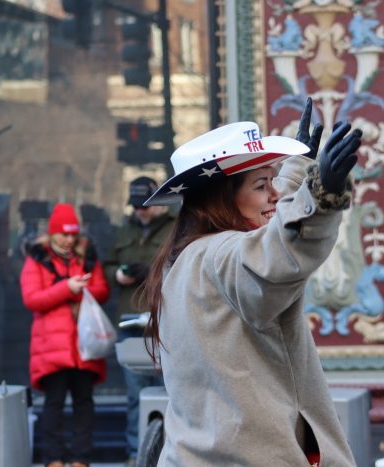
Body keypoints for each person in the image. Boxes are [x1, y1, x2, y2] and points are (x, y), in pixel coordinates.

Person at [142, 101, 361, 466]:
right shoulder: (222, 253)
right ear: (221, 198)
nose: (274, 194)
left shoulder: (180, 261)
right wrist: (319, 195)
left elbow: (270, 241)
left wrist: (297, 176)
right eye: (262, 185)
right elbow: (278, 253)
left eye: (273, 182)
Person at [20, 203, 110, 467]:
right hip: (52, 345)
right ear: (53, 233)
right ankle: (54, 459)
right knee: (54, 404)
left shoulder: (87, 255)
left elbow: (102, 290)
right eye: (63, 234)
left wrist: (84, 290)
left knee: (84, 403)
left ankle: (81, 458)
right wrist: (67, 289)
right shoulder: (37, 257)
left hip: (84, 344)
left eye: (73, 234)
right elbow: (32, 299)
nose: (69, 240)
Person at [103, 176, 174, 467]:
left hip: (166, 320)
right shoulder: (124, 229)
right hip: (131, 322)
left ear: (157, 202)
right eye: (135, 206)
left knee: (173, 391)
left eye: (144, 205)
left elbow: (188, 262)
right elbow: (107, 266)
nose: (139, 211)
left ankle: (170, 451)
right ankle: (136, 454)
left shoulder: (177, 225)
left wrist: (154, 271)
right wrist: (118, 275)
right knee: (136, 394)